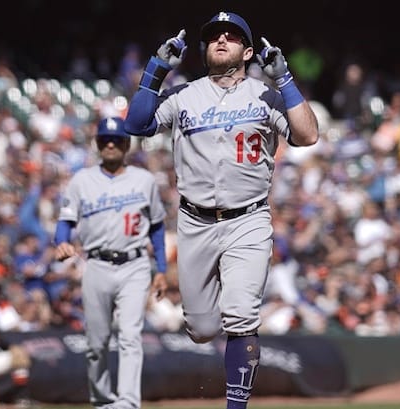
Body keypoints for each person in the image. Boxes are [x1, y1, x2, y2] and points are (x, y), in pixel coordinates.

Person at [124, 11, 319, 409]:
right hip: (195, 221)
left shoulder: (265, 95)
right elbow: (136, 124)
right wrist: (156, 70)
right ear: (204, 48)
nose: (221, 39)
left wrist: (285, 79)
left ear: (248, 51)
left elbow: (308, 134)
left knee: (242, 318)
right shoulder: (184, 95)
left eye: (231, 36)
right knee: (200, 328)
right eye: (215, 36)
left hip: (248, 218)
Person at [53, 116, 168, 409]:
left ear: (127, 144)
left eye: (117, 140)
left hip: (135, 264)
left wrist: (162, 270)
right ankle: (102, 400)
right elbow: (65, 221)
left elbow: (156, 227)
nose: (111, 144)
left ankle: (128, 402)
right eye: (105, 139)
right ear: (97, 143)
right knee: (96, 343)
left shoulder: (143, 180)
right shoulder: (81, 180)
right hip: (97, 265)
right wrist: (61, 241)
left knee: (130, 336)